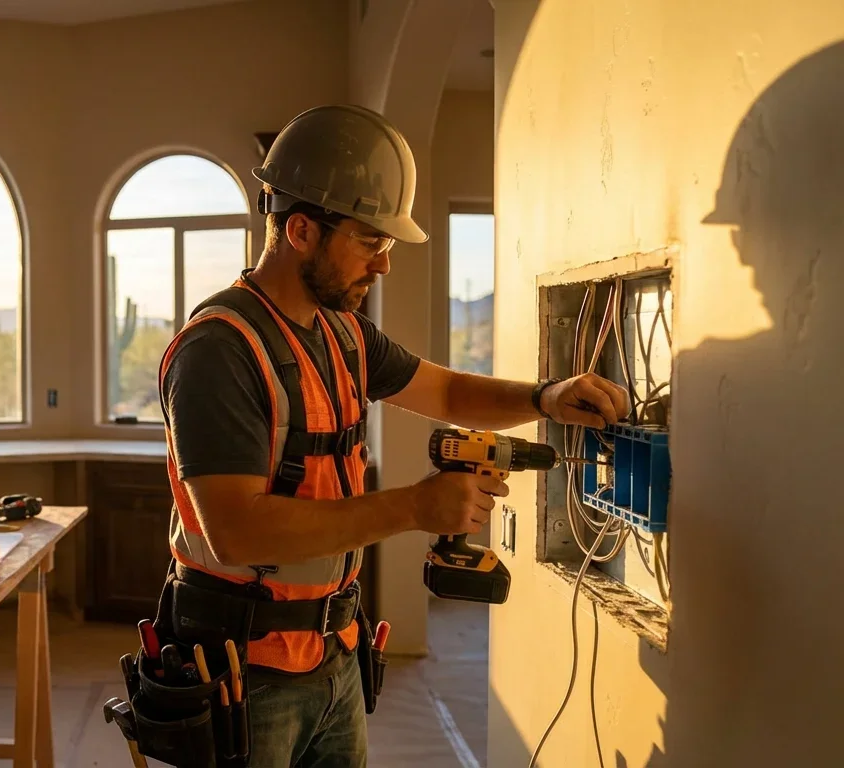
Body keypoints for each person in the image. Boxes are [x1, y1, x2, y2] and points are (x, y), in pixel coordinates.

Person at [154, 104, 631, 767]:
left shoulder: (342, 333)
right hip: (242, 671)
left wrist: (542, 397)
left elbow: (446, 391)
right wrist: (414, 507)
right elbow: (238, 533)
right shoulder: (219, 352)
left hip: (336, 656)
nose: (383, 265)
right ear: (300, 230)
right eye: (370, 242)